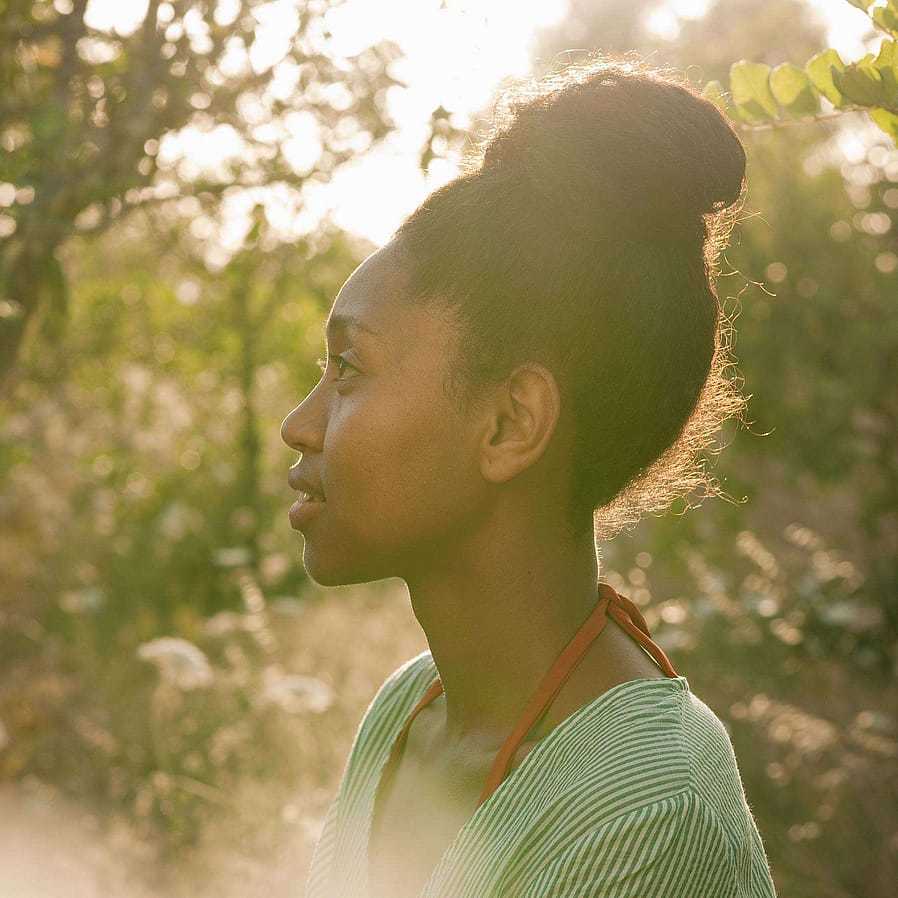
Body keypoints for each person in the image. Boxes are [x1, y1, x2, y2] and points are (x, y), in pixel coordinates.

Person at [280, 54, 777, 898]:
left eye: (349, 368)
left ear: (511, 424)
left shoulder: (649, 810)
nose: (300, 423)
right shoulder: (411, 710)